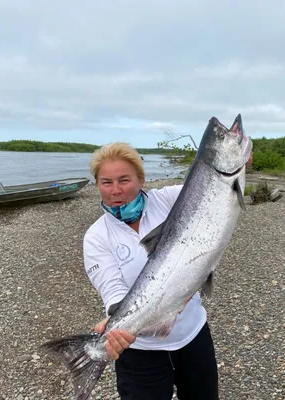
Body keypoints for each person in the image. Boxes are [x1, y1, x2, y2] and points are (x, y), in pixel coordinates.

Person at [83, 142, 219, 400]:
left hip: (193, 337)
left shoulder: (169, 200)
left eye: (124, 180)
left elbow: (212, 192)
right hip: (139, 350)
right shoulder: (96, 237)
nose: (115, 190)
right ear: (97, 185)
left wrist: (233, 163)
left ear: (141, 179)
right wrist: (115, 327)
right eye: (106, 182)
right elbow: (112, 289)